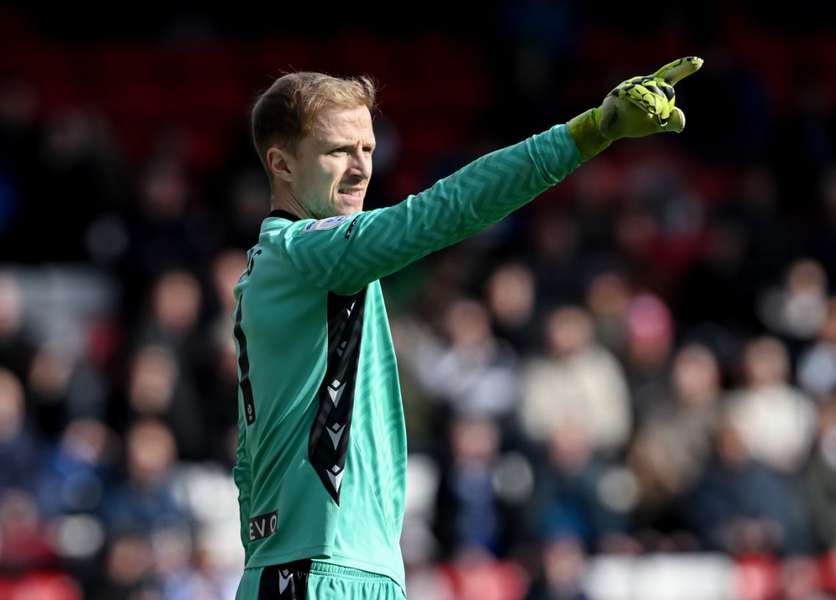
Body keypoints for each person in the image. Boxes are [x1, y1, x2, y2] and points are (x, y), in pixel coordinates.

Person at [233, 57, 702, 599]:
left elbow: (249, 458)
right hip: (314, 572)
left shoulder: (291, 267)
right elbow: (440, 212)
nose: (361, 167)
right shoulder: (304, 252)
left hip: (337, 567)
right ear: (282, 165)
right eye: (339, 151)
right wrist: (590, 131)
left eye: (367, 148)